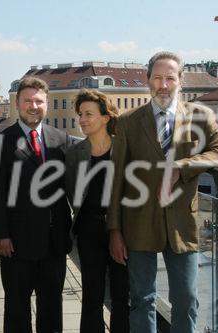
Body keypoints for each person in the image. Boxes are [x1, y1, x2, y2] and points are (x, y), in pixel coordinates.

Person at [107, 51, 218, 333]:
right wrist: (114, 230)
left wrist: (184, 165)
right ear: (147, 80)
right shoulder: (128, 121)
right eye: (157, 78)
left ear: (181, 80)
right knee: (142, 300)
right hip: (138, 224)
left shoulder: (200, 116)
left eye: (170, 78)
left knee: (187, 300)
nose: (163, 85)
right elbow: (116, 179)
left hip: (183, 226)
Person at [0, 77, 73, 333]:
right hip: (16, 243)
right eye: (27, 100)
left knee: (51, 308)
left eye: (39, 101)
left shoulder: (61, 139)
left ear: (46, 103)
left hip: (54, 242)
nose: (33, 106)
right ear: (17, 103)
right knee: (16, 310)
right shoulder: (2, 141)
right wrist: (0, 234)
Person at [65, 89, 129, 332]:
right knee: (92, 294)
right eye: (80, 114)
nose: (82, 119)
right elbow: (74, 193)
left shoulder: (123, 149)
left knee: (122, 295)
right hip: (89, 230)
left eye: (89, 114)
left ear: (105, 117)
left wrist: (117, 229)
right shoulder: (74, 154)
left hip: (122, 230)